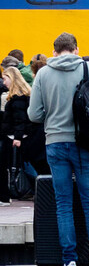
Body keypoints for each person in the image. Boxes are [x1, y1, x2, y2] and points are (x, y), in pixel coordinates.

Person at [27, 32, 89, 266]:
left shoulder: (43, 73)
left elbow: (34, 115)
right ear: (76, 49)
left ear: (54, 51)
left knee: (63, 204)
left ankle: (69, 262)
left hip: (55, 143)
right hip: (84, 143)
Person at [2, 65, 43, 205]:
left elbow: (20, 120)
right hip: (25, 136)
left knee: (24, 165)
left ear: (12, 79)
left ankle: (41, 188)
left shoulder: (17, 98)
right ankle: (41, 187)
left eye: (5, 78)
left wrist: (17, 137)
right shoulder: (24, 95)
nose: (3, 82)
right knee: (26, 164)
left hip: (17, 137)